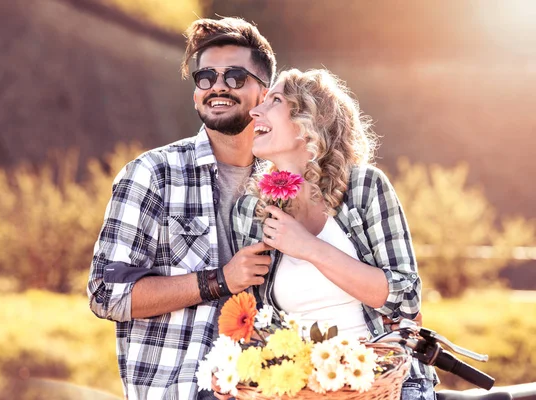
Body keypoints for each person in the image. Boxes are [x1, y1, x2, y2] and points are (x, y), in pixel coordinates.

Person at [87, 17, 277, 399]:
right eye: (206, 77)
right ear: (195, 95)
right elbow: (106, 294)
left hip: (268, 389)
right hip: (182, 390)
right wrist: (219, 280)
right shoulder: (151, 174)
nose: (218, 86)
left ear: (265, 96)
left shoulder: (286, 184)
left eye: (236, 76)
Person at [230, 69, 438, 400]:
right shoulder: (250, 210)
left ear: (309, 119)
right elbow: (256, 320)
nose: (255, 110)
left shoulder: (364, 187)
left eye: (276, 100)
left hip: (385, 382)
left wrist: (308, 247)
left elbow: (406, 301)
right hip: (303, 390)